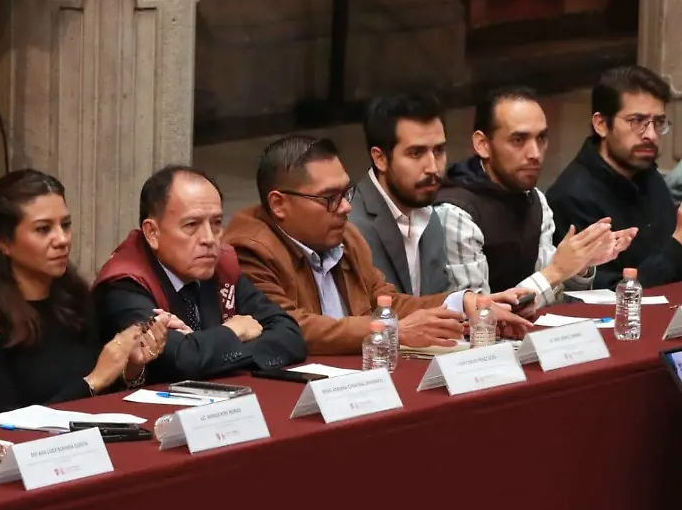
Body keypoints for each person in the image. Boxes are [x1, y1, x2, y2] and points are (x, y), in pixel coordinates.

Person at [227, 136, 533, 357]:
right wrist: (391, 330)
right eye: (329, 198)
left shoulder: (346, 237)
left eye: (346, 192)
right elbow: (289, 326)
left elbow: (386, 303)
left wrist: (463, 303)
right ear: (279, 204)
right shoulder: (249, 250)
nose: (346, 207)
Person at [0, 170, 168, 416]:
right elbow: (4, 421)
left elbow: (103, 397)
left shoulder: (75, 297)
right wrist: (92, 381)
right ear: (3, 242)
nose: (61, 239)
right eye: (43, 229)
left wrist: (131, 368)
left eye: (66, 225)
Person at [93, 165, 307, 384]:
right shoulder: (125, 285)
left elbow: (290, 335)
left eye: (216, 223)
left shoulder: (219, 266)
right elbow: (178, 361)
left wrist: (205, 349)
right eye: (192, 225)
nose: (209, 238)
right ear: (152, 233)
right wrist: (234, 331)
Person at [433, 86, 633, 306]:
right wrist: (557, 270)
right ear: (483, 145)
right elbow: (479, 317)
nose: (535, 154)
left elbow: (553, 298)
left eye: (541, 138)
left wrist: (580, 265)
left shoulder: (536, 199)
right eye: (518, 140)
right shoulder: (456, 213)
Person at [547, 65, 681, 288]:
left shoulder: (647, 175)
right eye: (637, 121)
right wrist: (679, 243)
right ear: (601, 125)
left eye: (658, 123)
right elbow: (610, 296)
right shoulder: (572, 197)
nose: (651, 134)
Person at [348, 93, 451, 296]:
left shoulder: (429, 218)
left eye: (438, 150)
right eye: (416, 153)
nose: (433, 168)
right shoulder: (350, 226)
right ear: (380, 159)